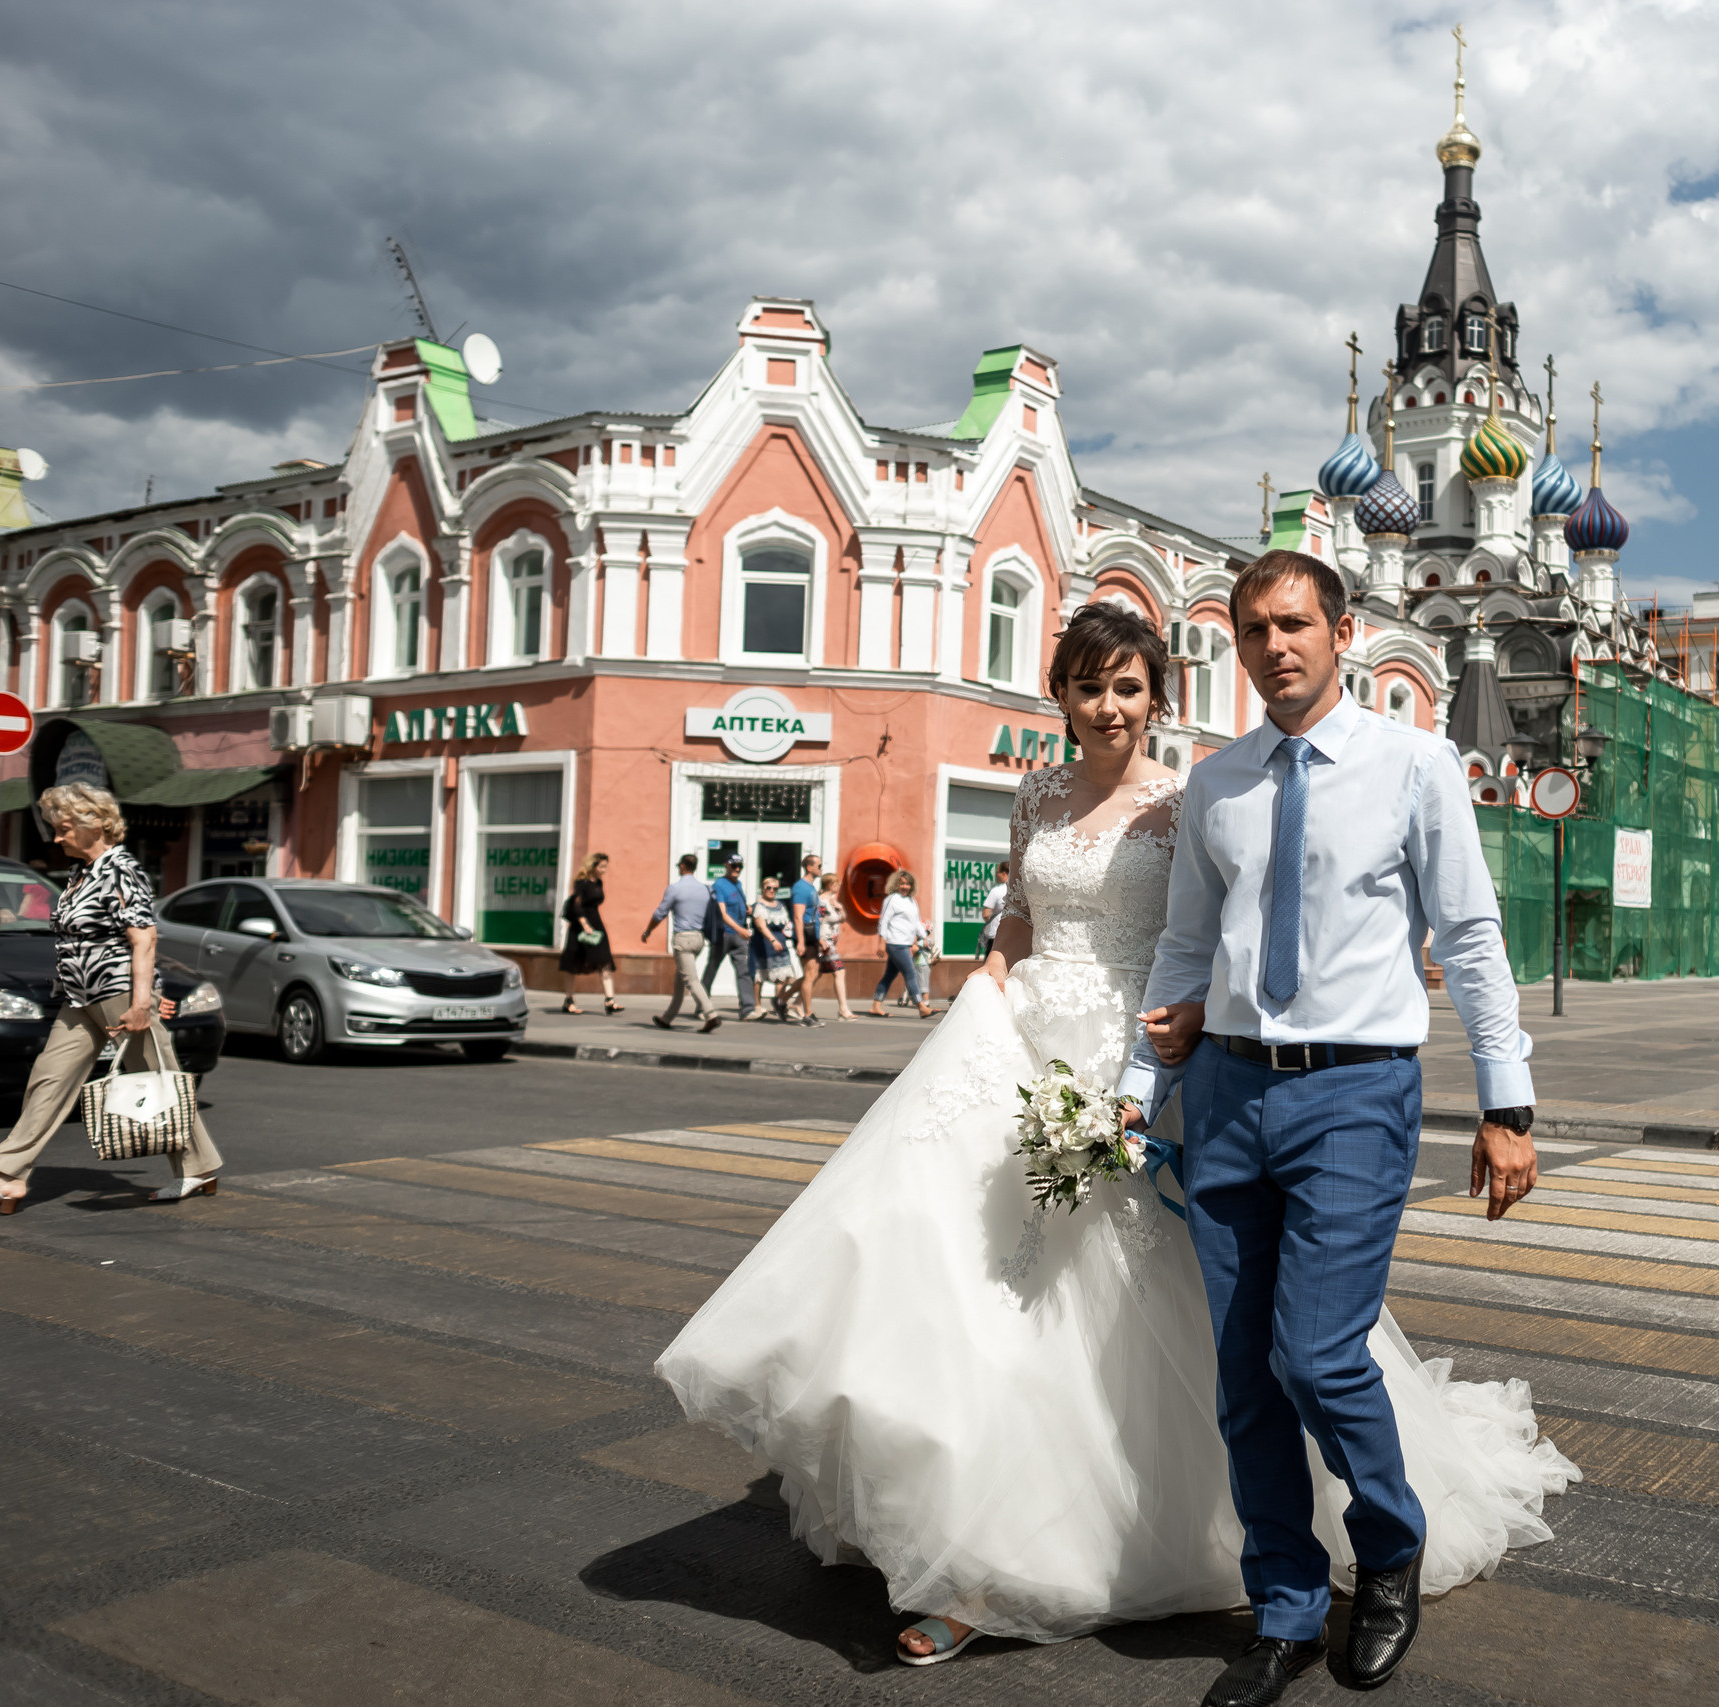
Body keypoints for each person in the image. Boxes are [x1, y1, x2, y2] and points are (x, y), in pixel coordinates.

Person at [655, 597, 1571, 1679]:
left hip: (1162, 1067)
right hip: (1028, 1049)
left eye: (1127, 687)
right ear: (1061, 694)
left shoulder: (1197, 798)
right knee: (980, 1304)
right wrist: (984, 1002)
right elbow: (1019, 924)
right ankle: (975, 1557)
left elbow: (1212, 937)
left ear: (1160, 695)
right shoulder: (1037, 795)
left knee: (1252, 1342)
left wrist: (1179, 1044)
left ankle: (1341, 1543)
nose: (1106, 707)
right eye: (1088, 686)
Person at [1122, 552, 1551, 1704]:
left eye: (1294, 624)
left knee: (1314, 1351)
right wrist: (1135, 1081)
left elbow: (1467, 937)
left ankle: (1391, 1547)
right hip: (1224, 1091)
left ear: (1342, 630)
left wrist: (1507, 1106)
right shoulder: (1218, 784)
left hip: (1356, 1093)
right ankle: (1288, 1605)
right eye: (1253, 629)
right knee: (1244, 1377)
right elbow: (1182, 951)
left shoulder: (1413, 767)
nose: (1274, 647)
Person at [0, 784, 224, 1211]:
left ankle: (198, 1169)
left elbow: (144, 938)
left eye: (63, 829)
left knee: (158, 1078)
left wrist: (141, 1003)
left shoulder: (122, 869)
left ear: (94, 823)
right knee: (48, 1080)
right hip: (79, 996)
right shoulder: (82, 873)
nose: (56, 838)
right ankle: (9, 1176)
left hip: (116, 993)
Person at [643, 853, 723, 1032]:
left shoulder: (675, 888)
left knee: (691, 980)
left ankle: (710, 1014)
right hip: (699, 939)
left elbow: (659, 914)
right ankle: (667, 1018)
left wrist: (648, 930)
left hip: (683, 939)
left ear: (682, 867)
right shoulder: (706, 889)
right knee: (680, 978)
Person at [558, 852, 622, 1015]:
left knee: (604, 961)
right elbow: (576, 905)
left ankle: (610, 1000)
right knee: (572, 964)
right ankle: (569, 1000)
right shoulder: (581, 882)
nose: (605, 870)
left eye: (606, 866)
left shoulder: (598, 882)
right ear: (592, 866)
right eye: (602, 866)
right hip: (580, 926)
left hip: (597, 924)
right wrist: (584, 924)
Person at [870, 870, 932, 1018]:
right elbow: (883, 921)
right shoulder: (892, 899)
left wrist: (924, 937)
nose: (905, 886)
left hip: (905, 942)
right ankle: (921, 1006)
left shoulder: (912, 901)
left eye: (908, 883)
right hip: (895, 942)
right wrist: (881, 942)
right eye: (902, 883)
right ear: (896, 883)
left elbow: (916, 922)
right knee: (910, 973)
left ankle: (875, 1006)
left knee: (890, 974)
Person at [702, 854, 756, 1017]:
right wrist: (741, 930)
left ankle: (748, 1009)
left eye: (740, 866)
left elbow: (735, 906)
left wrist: (747, 909)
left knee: (744, 971)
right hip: (723, 934)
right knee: (712, 968)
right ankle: (702, 1006)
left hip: (739, 936)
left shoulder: (737, 884)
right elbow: (723, 913)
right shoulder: (720, 884)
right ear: (726, 865)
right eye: (734, 866)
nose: (737, 869)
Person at [799, 872, 857, 1022]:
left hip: (830, 943)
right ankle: (843, 1009)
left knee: (815, 975)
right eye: (836, 883)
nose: (838, 885)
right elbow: (818, 920)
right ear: (830, 884)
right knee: (839, 972)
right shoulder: (821, 902)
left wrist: (840, 908)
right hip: (826, 943)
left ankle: (794, 1002)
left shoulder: (832, 901)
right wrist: (820, 940)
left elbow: (842, 919)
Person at [747, 874, 801, 1021]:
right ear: (763, 888)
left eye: (775, 888)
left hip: (781, 945)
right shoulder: (758, 905)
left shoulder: (781, 905)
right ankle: (757, 1006)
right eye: (769, 888)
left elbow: (787, 924)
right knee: (759, 977)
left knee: (782, 978)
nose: (772, 890)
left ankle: (778, 1003)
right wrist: (772, 940)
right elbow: (761, 925)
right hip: (763, 945)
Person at [789, 855, 827, 1025]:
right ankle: (807, 1014)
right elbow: (798, 916)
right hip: (805, 935)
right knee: (810, 975)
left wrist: (819, 940)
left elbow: (813, 915)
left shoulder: (811, 887)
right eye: (819, 865)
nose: (821, 868)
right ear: (809, 867)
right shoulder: (801, 888)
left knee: (813, 973)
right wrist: (801, 942)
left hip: (812, 936)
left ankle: (782, 1000)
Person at [976, 860, 1011, 959]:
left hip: (995, 934)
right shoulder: (1017, 890)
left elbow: (986, 914)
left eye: (997, 872)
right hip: (1012, 935)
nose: (996, 875)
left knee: (991, 963)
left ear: (1004, 873)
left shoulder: (996, 891)